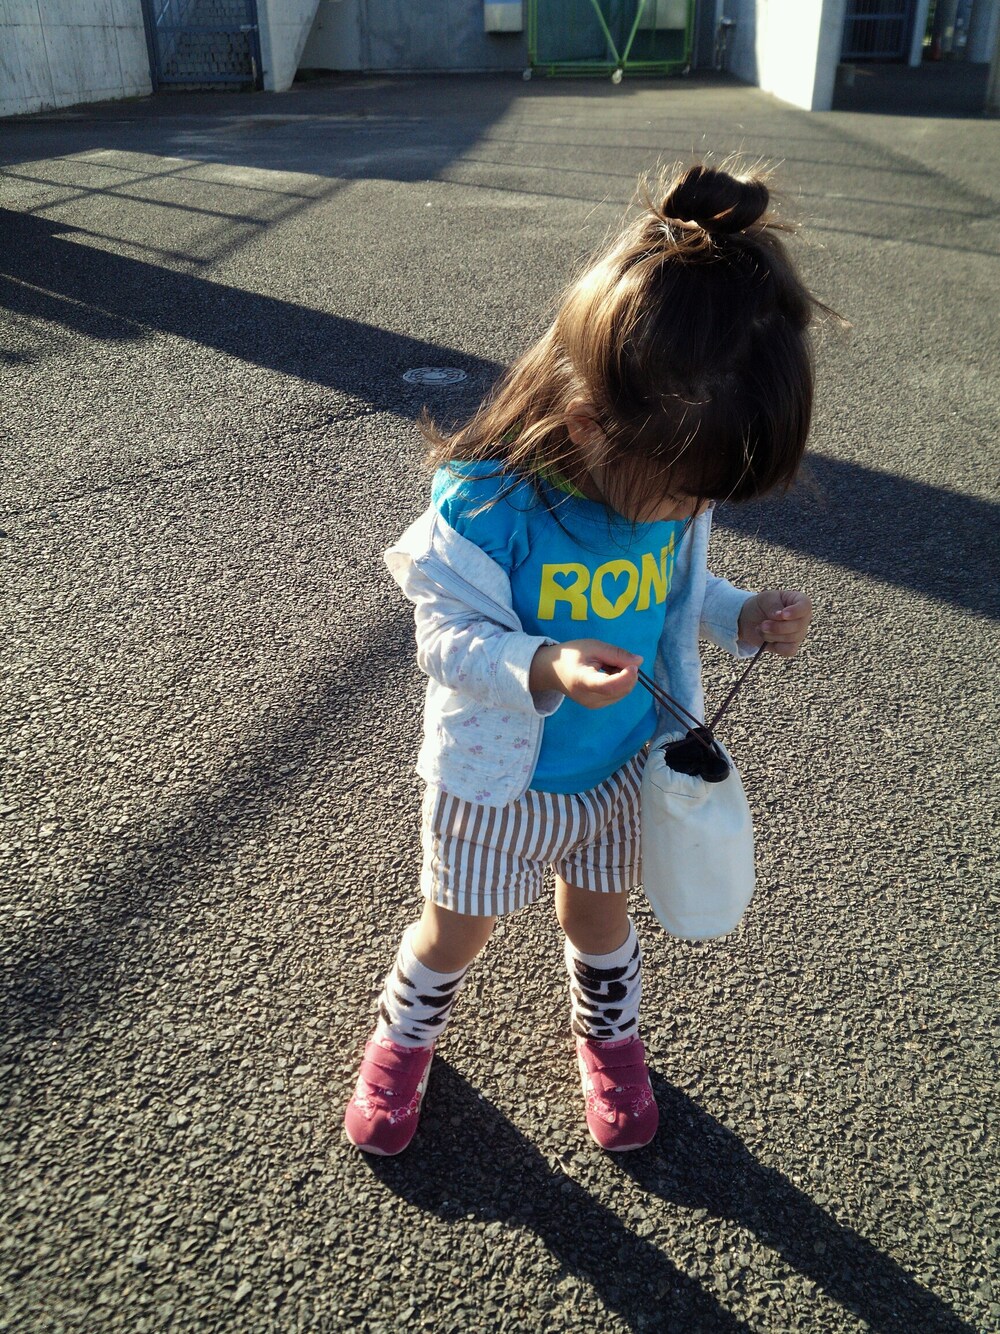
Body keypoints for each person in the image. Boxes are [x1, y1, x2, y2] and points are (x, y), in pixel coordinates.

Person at [344, 162, 821, 1157]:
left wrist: (743, 614)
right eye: (686, 491)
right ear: (587, 426)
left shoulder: (667, 485)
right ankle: (402, 1038)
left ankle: (608, 1039)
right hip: (496, 782)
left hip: (614, 773)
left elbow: (678, 593)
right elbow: (442, 638)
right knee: (453, 928)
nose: (695, 510)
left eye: (708, 496)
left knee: (599, 921)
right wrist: (546, 665)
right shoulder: (490, 506)